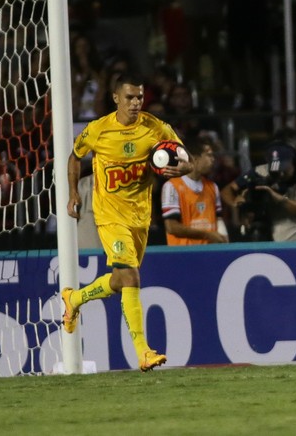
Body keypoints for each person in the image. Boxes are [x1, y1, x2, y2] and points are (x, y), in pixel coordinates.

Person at [63, 73, 192, 372]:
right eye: (130, 97)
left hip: (140, 217)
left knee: (121, 281)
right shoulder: (98, 130)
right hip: (108, 217)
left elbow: (188, 159)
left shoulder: (155, 127)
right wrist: (73, 193)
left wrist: (182, 168)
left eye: (140, 97)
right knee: (131, 277)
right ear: (116, 98)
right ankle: (143, 352)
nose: (136, 103)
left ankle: (75, 298)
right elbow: (75, 156)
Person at [221, 137, 296, 242]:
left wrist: (280, 199)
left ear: (294, 162)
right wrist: (237, 204)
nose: (280, 174)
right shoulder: (260, 172)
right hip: (278, 241)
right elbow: (227, 191)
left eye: (284, 169)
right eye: (276, 170)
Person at [161, 136, 229, 245]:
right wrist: (207, 234)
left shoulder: (213, 187)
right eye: (209, 155)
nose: (213, 159)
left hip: (209, 254)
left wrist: (225, 239)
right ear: (195, 158)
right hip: (183, 255)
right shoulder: (172, 186)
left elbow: (218, 219)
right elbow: (171, 227)